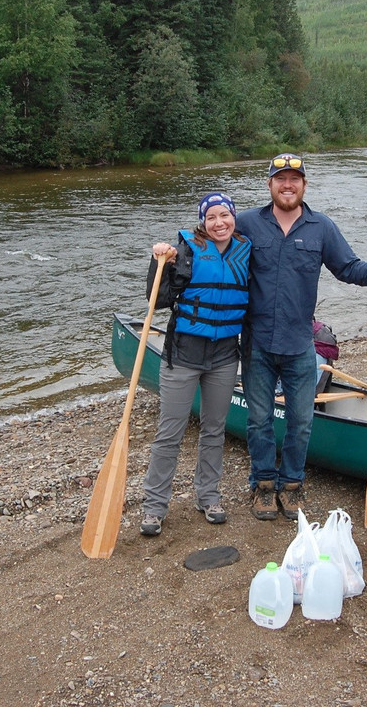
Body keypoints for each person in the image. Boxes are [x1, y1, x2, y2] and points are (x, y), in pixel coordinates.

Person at [235, 153, 367, 521]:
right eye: (280, 179)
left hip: (301, 344)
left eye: (294, 179)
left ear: (304, 185)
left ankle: (292, 485)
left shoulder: (321, 228)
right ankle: (263, 485)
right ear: (269, 184)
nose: (287, 185)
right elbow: (213, 247)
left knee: (301, 422)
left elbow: (351, 269)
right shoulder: (247, 223)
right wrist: (171, 256)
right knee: (259, 420)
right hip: (256, 344)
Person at [138, 192, 251, 537]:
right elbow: (157, 299)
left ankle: (208, 496)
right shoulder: (185, 251)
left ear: (233, 218)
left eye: (224, 215)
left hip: (224, 356)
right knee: (169, 433)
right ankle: (155, 506)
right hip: (184, 354)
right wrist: (159, 262)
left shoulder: (247, 252)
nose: (219, 223)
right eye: (211, 217)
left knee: (214, 429)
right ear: (203, 221)